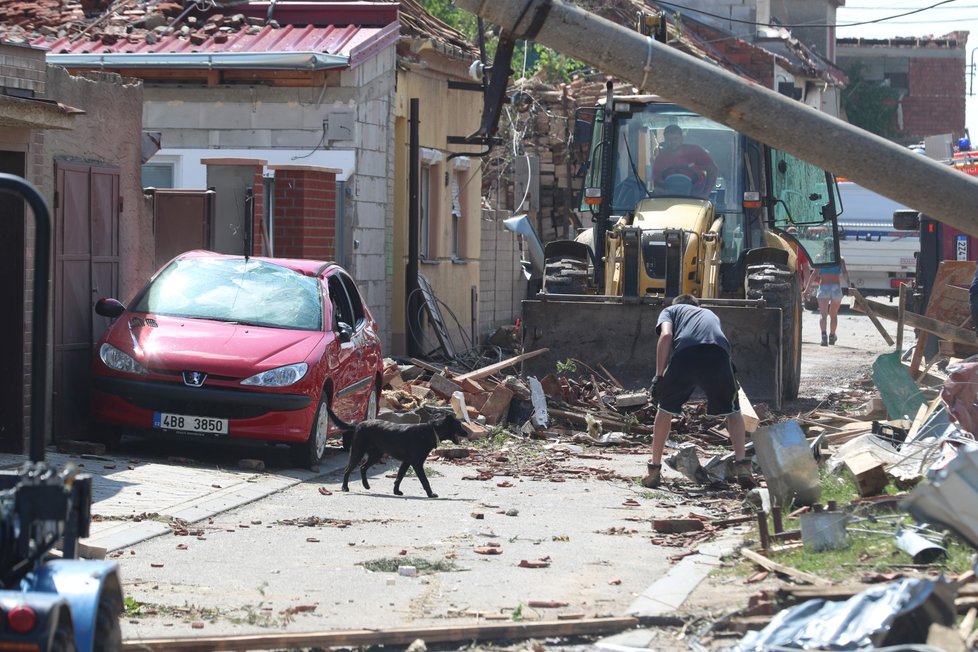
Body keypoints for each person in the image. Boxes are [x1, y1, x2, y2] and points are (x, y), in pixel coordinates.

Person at [642, 294, 754, 489]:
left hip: (685, 354)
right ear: (696, 305)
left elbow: (666, 336)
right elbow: (722, 341)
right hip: (718, 355)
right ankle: (742, 467)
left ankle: (654, 471)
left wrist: (659, 376)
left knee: (665, 408)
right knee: (733, 410)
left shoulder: (670, 310)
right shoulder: (709, 313)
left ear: (677, 305)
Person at [651, 124, 719, 199]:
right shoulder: (661, 158)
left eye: (675, 138)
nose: (672, 142)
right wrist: (662, 192)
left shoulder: (695, 151)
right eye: (669, 139)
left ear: (682, 138)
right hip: (670, 197)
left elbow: (713, 170)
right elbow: (657, 182)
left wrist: (705, 193)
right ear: (665, 140)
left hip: (696, 195)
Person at [814, 258, 849, 346]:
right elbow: (844, 272)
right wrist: (849, 285)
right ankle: (832, 336)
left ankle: (824, 336)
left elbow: (814, 274)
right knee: (833, 315)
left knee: (823, 315)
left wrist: (806, 289)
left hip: (824, 287)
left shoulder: (820, 258)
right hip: (836, 288)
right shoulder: (840, 259)